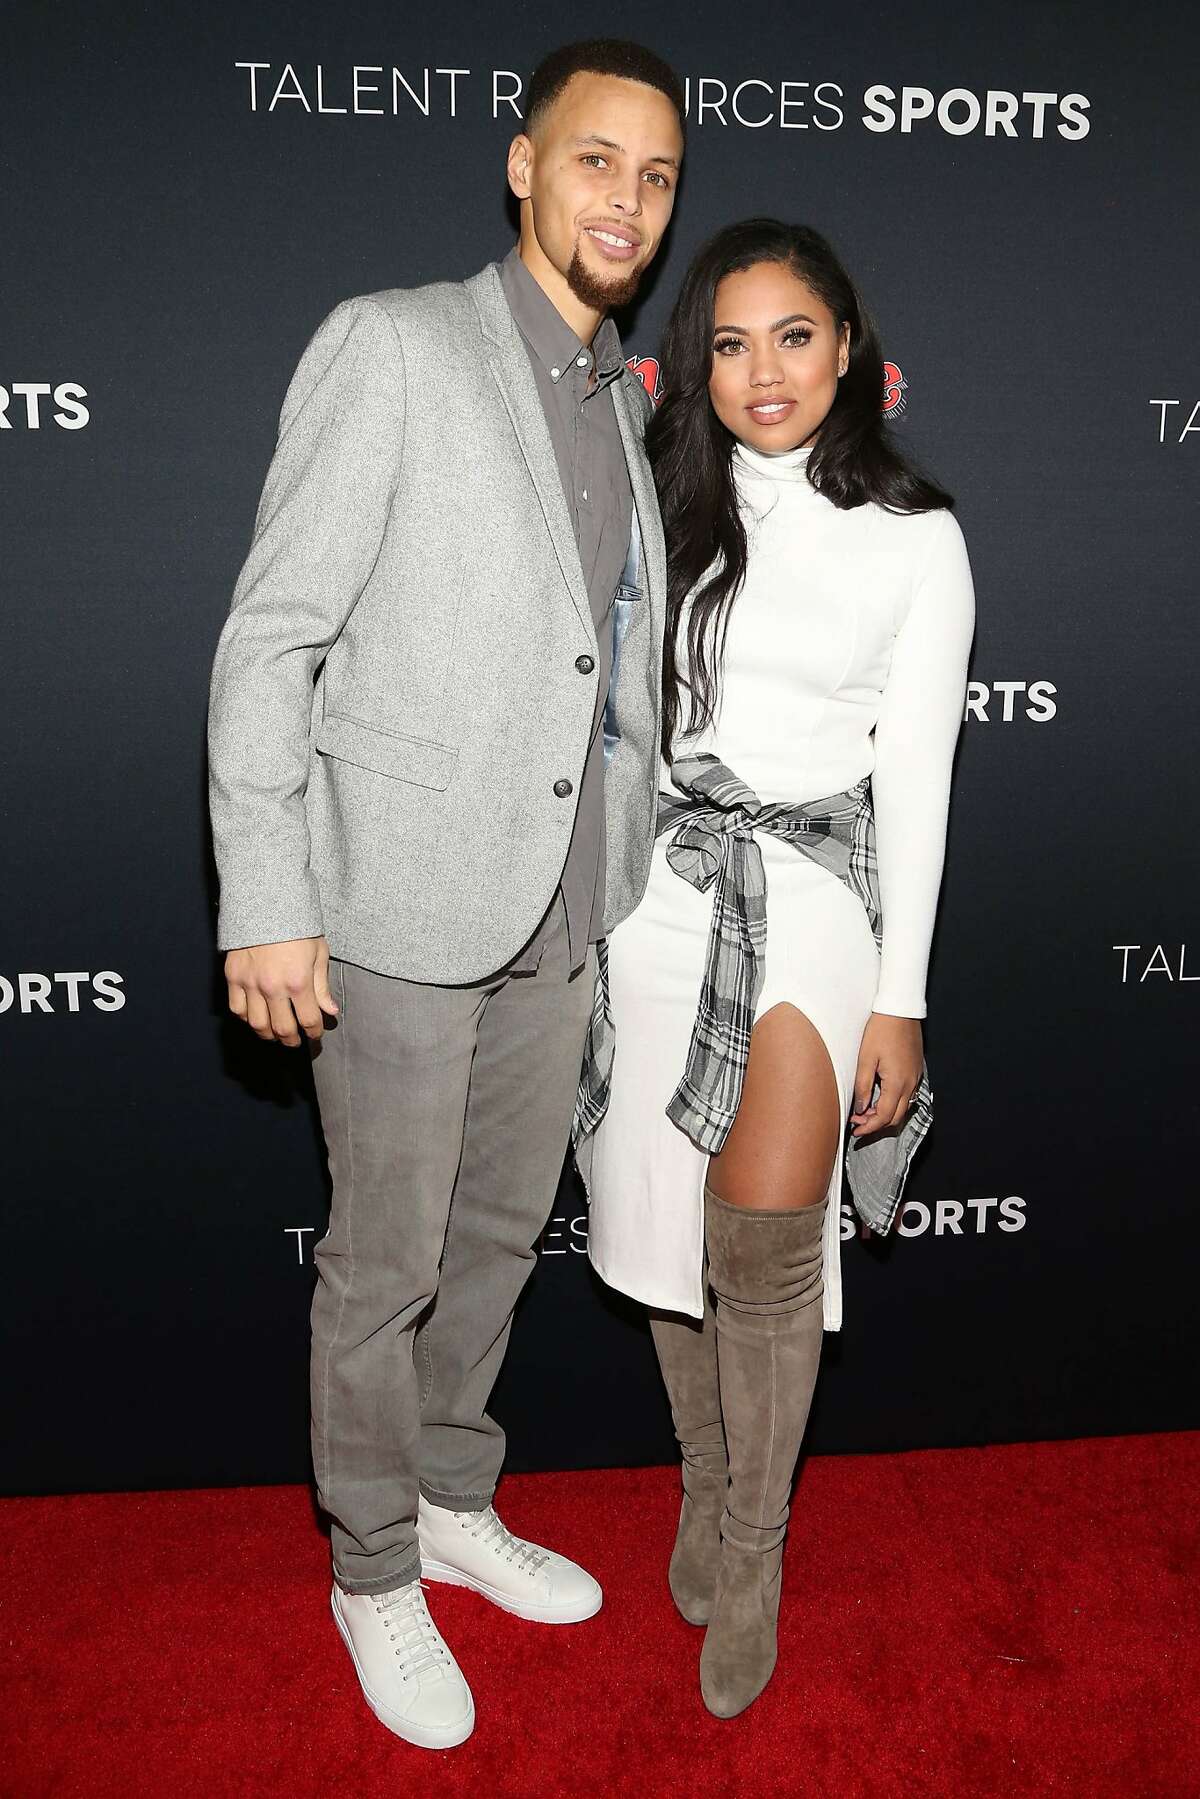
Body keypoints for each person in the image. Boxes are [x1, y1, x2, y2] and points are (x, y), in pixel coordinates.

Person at [207, 39, 684, 1751]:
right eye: (594, 160)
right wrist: (268, 894)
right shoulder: (395, 344)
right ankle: (373, 1567)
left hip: (563, 911)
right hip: (398, 906)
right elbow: (275, 639)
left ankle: (456, 1498)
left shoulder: (616, 396)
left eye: (655, 174)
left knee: (492, 1248)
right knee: (387, 1260)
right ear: (521, 166)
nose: (625, 198)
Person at [581, 219, 976, 1718]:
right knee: (665, 1230)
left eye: (793, 335)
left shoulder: (917, 538)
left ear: (848, 349)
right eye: (731, 341)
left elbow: (920, 786)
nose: (764, 370)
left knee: (762, 1249)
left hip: (811, 901)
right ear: (696, 361)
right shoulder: (653, 506)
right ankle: (702, 1480)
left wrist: (906, 997)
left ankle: (757, 1542)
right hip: (656, 900)